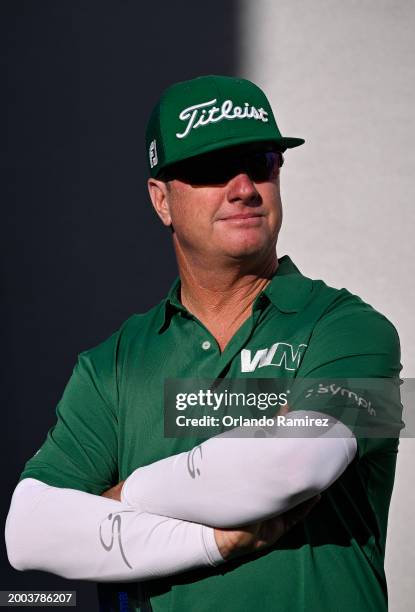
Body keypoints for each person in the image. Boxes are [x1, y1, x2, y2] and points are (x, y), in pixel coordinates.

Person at [5, 75, 403, 612]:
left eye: (260, 161)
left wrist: (122, 499)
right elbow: (28, 532)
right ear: (161, 200)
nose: (244, 188)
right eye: (214, 169)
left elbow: (292, 466)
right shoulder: (112, 366)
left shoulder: (353, 330)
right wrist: (211, 542)